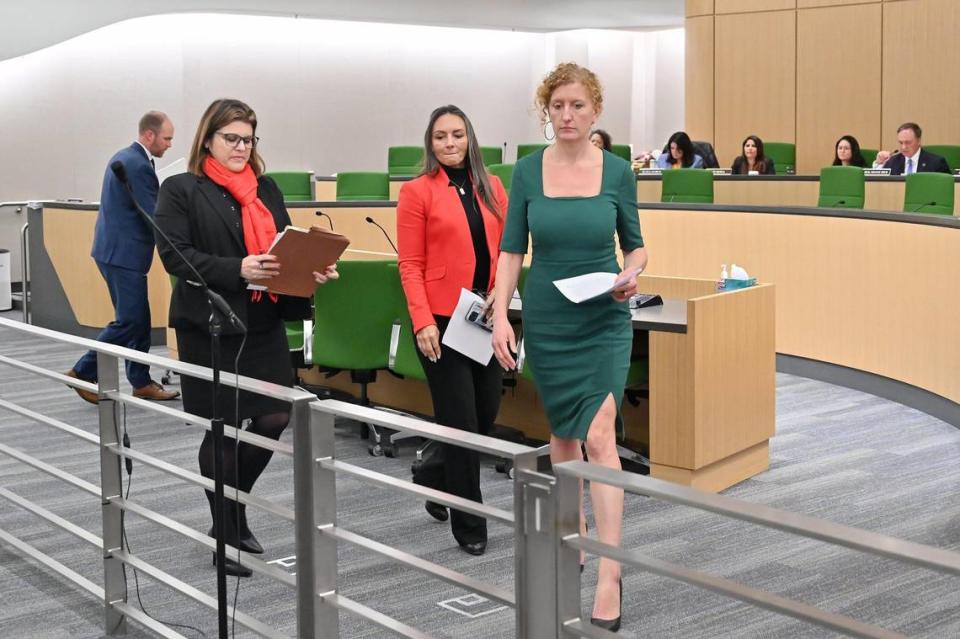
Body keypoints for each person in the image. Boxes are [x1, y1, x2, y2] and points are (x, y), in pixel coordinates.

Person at [491, 62, 647, 633]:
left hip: (603, 315)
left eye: (577, 106)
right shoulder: (527, 172)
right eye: (557, 106)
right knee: (561, 434)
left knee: (599, 434)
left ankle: (611, 571)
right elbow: (511, 251)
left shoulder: (618, 172)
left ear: (595, 110)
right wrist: (501, 316)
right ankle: (573, 534)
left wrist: (631, 273)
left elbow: (636, 247)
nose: (567, 115)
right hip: (550, 316)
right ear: (546, 111)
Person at [154, 98, 338, 577]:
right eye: (231, 138)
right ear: (208, 139)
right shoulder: (181, 189)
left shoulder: (266, 189)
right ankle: (227, 528)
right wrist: (237, 268)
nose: (241, 147)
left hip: (262, 322)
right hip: (212, 324)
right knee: (221, 425)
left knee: (275, 416)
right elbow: (177, 256)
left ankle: (230, 513)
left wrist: (310, 269)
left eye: (248, 139)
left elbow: (279, 250)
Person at [396, 105, 508, 557]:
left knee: (484, 415)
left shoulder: (492, 186)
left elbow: (508, 249)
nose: (449, 143)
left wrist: (500, 292)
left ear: (470, 138)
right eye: (440, 136)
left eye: (457, 135)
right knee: (461, 425)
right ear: (431, 142)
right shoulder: (417, 192)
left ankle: (432, 471)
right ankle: (469, 522)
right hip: (439, 322)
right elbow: (410, 264)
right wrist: (422, 321)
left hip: (481, 316)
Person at [66, 111, 180, 404]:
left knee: (138, 320)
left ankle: (140, 381)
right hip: (123, 255)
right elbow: (153, 215)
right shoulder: (137, 164)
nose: (169, 145)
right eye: (167, 138)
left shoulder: (128, 158)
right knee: (130, 321)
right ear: (149, 135)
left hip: (116, 252)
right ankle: (82, 371)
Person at [874, 122, 951, 174]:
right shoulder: (892, 162)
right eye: (901, 143)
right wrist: (879, 164)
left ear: (919, 141)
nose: (903, 147)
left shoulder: (936, 163)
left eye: (908, 142)